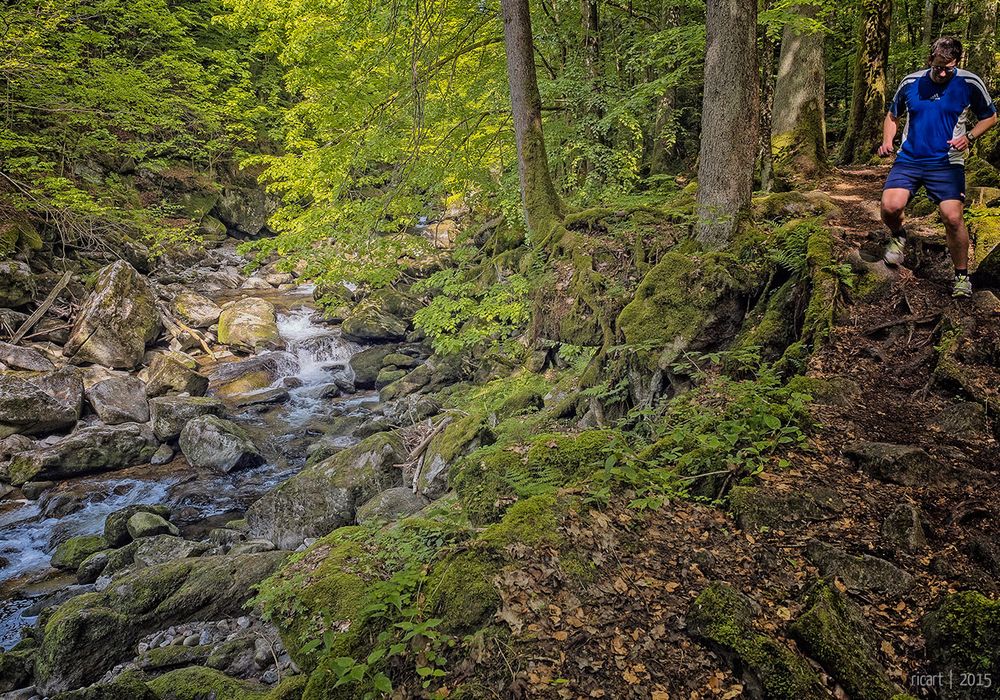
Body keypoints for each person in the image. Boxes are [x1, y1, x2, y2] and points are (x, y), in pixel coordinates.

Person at [877, 36, 998, 298]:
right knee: (890, 207)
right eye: (938, 66)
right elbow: (892, 115)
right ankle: (899, 235)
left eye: (949, 67)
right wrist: (888, 140)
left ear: (957, 62)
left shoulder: (969, 82)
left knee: (953, 218)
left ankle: (961, 278)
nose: (943, 72)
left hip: (947, 162)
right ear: (930, 59)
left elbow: (990, 117)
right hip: (909, 158)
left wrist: (969, 137)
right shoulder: (911, 82)